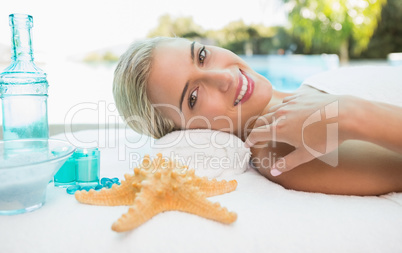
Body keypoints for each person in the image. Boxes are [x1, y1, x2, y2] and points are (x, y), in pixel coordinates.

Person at [113, 36, 402, 196]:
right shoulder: (280, 150)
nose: (224, 77)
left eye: (201, 56)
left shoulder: (302, 93)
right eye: (193, 98)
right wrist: (351, 115)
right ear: (189, 132)